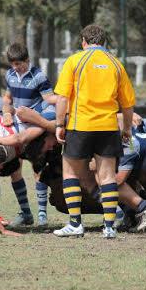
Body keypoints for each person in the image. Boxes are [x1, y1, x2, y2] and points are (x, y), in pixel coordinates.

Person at [53, 24, 135, 238]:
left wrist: (59, 124)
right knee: (107, 176)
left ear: (83, 41)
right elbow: (127, 105)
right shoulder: (116, 64)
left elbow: (62, 98)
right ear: (104, 42)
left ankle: (75, 224)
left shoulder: (74, 61)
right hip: (108, 127)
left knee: (70, 172)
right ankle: (109, 227)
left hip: (81, 126)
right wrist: (126, 128)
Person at [3, 42, 56, 227]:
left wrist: (66, 97)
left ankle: (42, 214)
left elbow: (49, 99)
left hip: (34, 127)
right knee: (14, 169)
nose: (17, 68)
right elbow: (8, 98)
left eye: (20, 64)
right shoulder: (9, 74)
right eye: (14, 64)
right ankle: (26, 213)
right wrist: (7, 112)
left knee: (37, 170)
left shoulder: (38, 76)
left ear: (27, 60)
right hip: (17, 125)